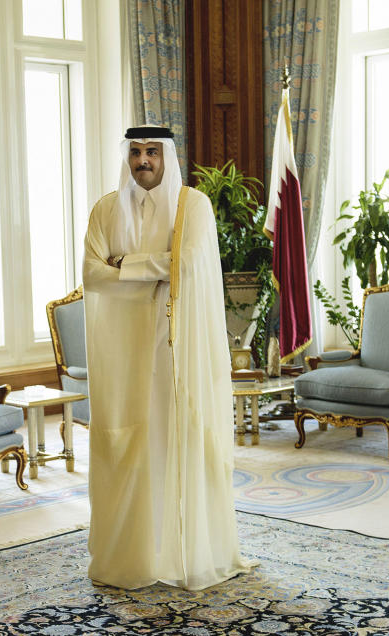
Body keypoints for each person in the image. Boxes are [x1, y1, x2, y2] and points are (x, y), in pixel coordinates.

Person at [82, 125, 255, 590]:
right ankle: (133, 556)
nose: (143, 161)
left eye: (152, 153)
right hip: (122, 349)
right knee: (128, 444)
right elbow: (92, 276)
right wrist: (155, 267)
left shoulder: (191, 205)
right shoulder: (105, 209)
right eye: (136, 152)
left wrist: (128, 265)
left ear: (166, 157)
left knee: (175, 436)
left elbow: (189, 263)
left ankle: (185, 552)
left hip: (176, 345)